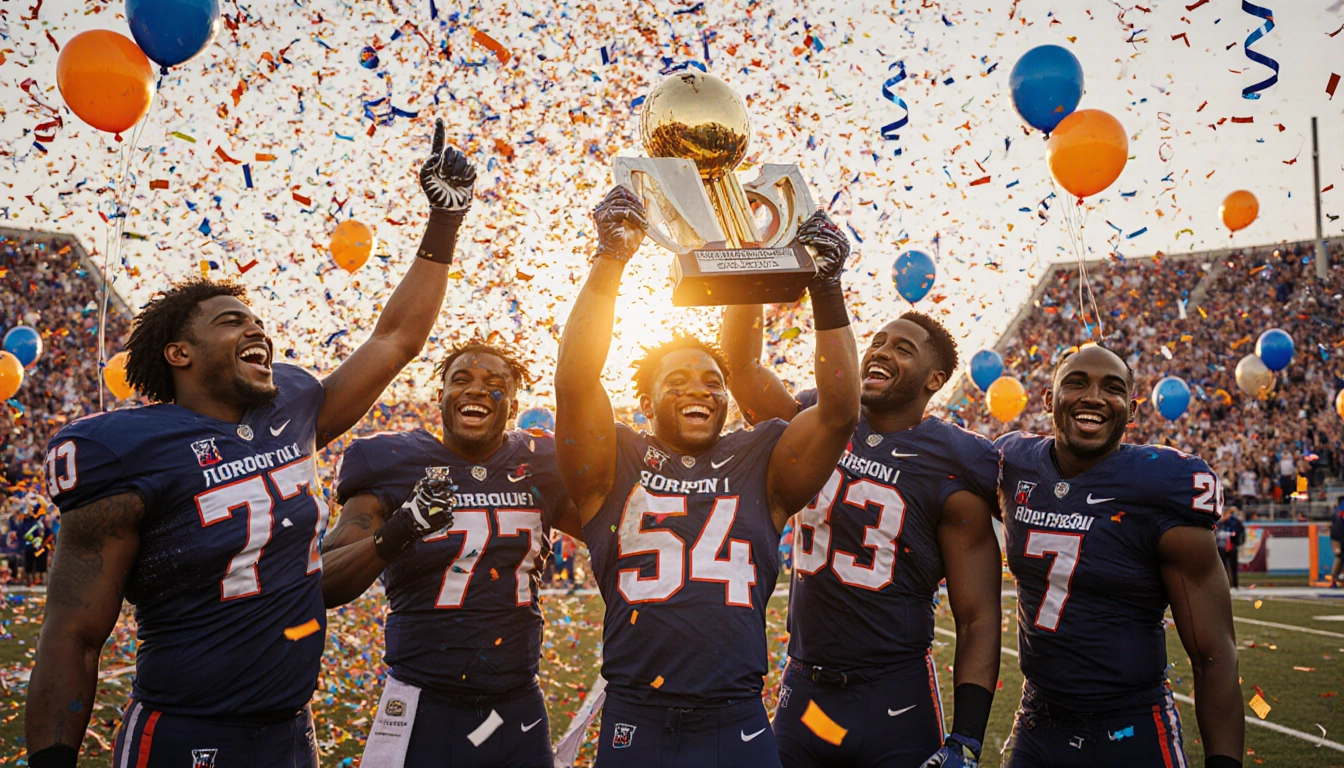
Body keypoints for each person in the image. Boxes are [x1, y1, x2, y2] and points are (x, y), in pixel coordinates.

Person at [26, 119, 475, 768]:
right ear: (179, 353)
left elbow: (394, 341)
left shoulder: (291, 406)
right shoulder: (126, 451)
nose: (257, 330)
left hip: (290, 733)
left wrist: (444, 224)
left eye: (259, 321)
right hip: (183, 734)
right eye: (232, 321)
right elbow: (73, 635)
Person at [554, 187, 860, 767]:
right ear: (644, 401)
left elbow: (840, 411)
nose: (700, 388)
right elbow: (574, 381)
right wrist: (610, 258)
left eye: (712, 381)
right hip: (635, 716)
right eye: (678, 381)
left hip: (735, 718)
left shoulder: (759, 456)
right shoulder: (613, 463)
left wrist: (826, 286)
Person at [719, 306, 1002, 768]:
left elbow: (977, 616)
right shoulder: (821, 416)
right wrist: (748, 279)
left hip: (895, 699)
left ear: (934, 380)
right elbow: (744, 371)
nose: (882, 351)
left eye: (903, 349)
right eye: (880, 341)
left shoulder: (957, 458)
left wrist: (967, 738)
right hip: (805, 690)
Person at [322, 341, 580, 766]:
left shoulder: (541, 461)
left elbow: (616, 536)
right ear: (440, 396)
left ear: (512, 407)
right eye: (461, 380)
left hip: (518, 701)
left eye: (494, 384)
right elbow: (323, 581)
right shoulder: (392, 460)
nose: (476, 390)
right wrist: (399, 529)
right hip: (422, 702)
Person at [998, 344, 1243, 768]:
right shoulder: (1012, 463)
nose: (1093, 396)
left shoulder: (1164, 485)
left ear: (1131, 411)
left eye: (1111, 388)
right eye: (1076, 382)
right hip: (1038, 721)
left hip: (1131, 727)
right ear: (1048, 400)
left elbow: (1214, 653)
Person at [1215, 506, 1246, 589]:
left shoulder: (1234, 522)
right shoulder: (1218, 522)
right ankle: (1223, 585)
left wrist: (1237, 541)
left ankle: (1234, 585)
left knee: (1233, 567)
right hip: (1221, 547)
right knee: (1222, 568)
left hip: (1231, 546)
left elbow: (1240, 531)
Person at [1330, 495, 1344, 588]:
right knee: (1339, 558)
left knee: (1339, 557)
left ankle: (1334, 579)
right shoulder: (1340, 511)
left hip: (1336, 537)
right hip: (1340, 536)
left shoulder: (1337, 510)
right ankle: (1335, 579)